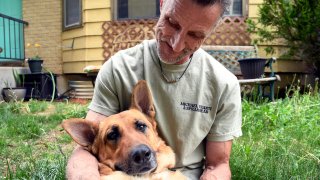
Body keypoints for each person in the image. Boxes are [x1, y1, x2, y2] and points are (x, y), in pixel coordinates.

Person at [66, 0, 242, 179]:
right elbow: (88, 147)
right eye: (172, 22)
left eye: (195, 34)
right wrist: (84, 175)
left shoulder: (224, 85)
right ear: (162, 3)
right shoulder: (117, 68)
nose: (176, 44)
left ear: (210, 31)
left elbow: (217, 165)